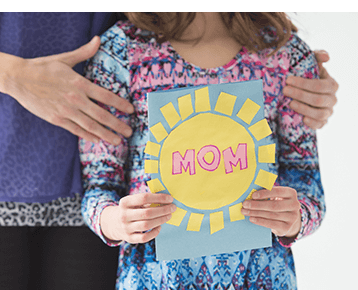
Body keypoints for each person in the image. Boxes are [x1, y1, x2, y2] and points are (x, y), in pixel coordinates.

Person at [0, 12, 335, 290]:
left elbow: (301, 177)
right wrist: (13, 76)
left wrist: (285, 64)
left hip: (99, 185)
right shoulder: (124, 53)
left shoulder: (276, 56)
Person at [80, 12, 326, 289]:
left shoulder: (287, 54)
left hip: (262, 275)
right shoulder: (121, 51)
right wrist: (116, 222)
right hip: (155, 278)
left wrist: (296, 218)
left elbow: (308, 183)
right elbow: (98, 187)